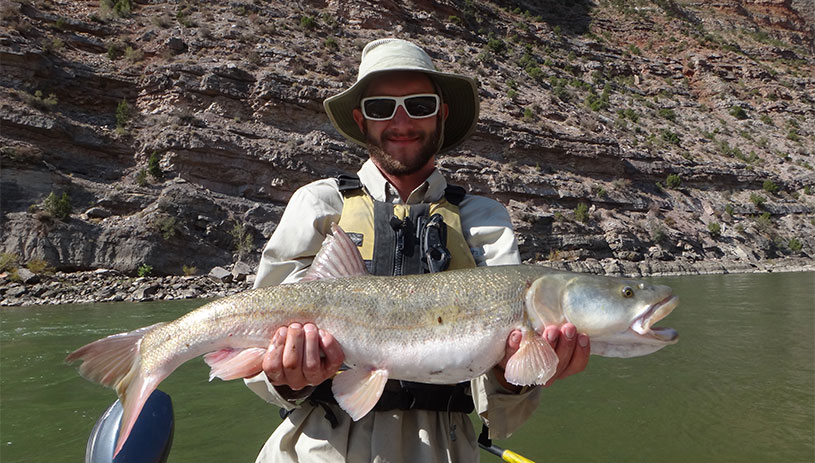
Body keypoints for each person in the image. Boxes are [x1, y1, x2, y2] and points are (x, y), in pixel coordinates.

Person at [245, 38, 591, 462]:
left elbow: (505, 407)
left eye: (420, 105)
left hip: (445, 447)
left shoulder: (484, 219)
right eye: (381, 108)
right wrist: (286, 377)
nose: (402, 120)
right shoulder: (317, 205)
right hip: (319, 446)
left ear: (442, 113)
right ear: (361, 119)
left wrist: (519, 377)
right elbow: (262, 375)